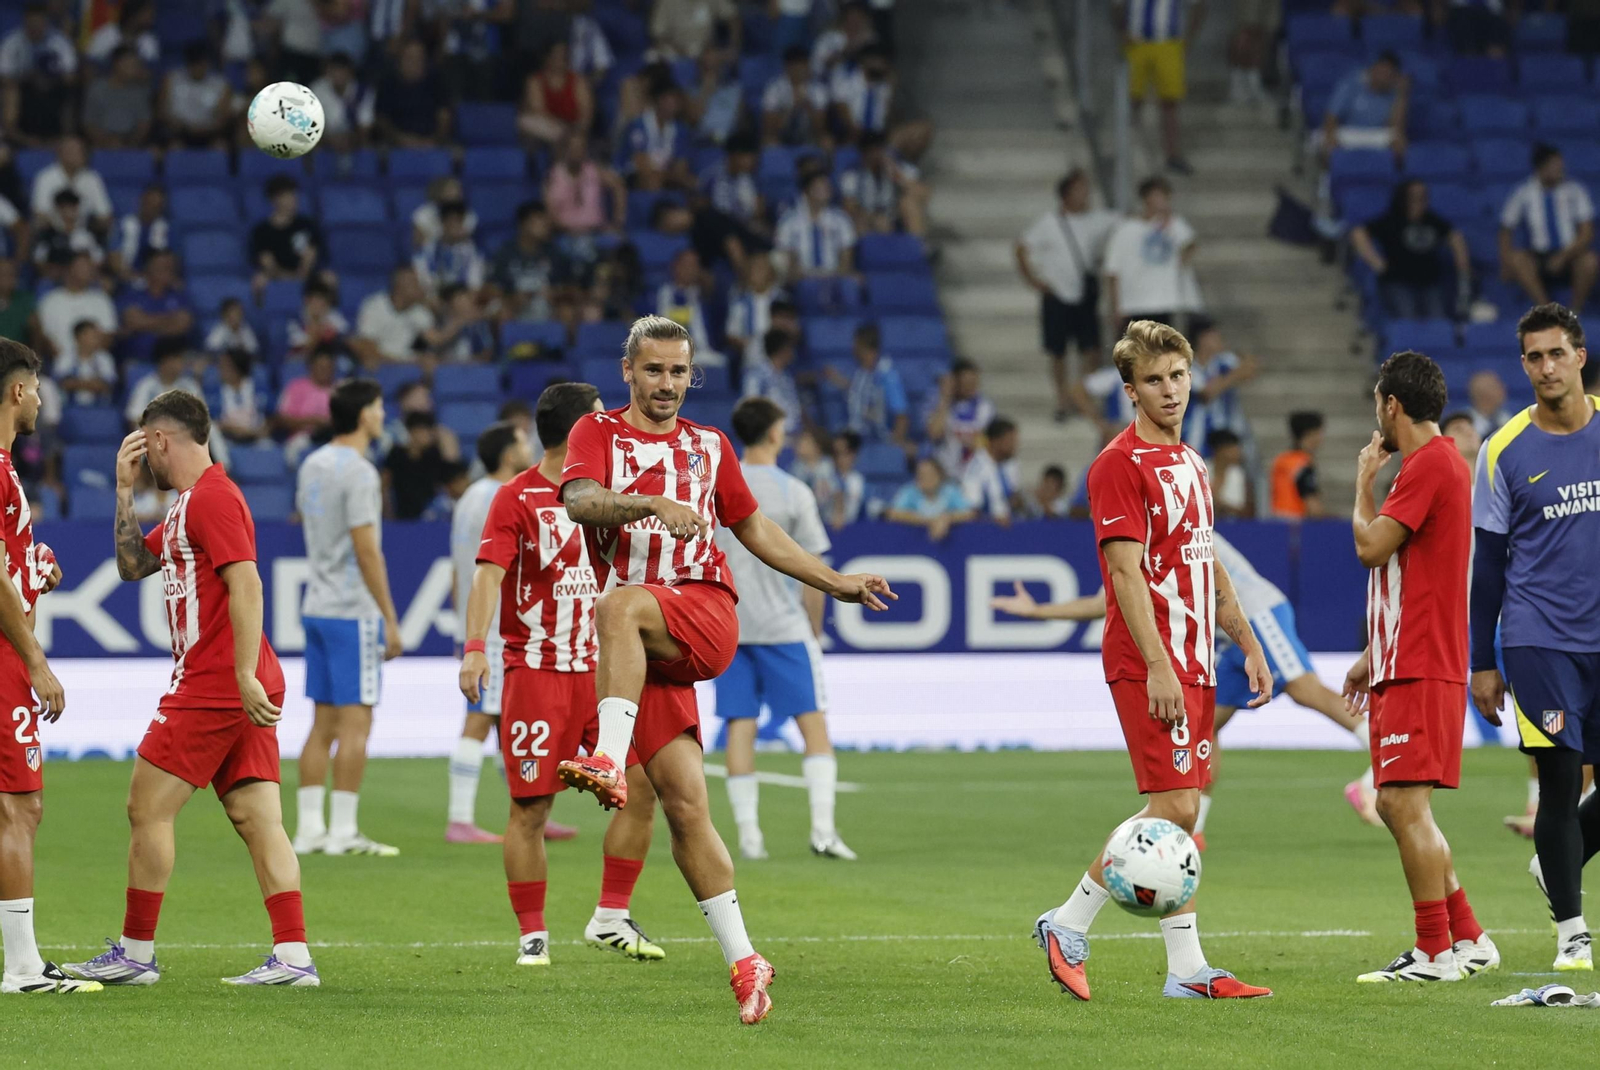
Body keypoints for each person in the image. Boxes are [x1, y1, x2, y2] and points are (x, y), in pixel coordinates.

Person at [551, 315, 895, 1024]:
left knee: (613, 606)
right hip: (646, 648)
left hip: (704, 613)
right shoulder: (598, 436)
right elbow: (579, 503)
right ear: (628, 372)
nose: (669, 384)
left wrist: (834, 582)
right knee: (683, 804)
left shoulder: (711, 447)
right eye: (655, 370)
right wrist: (652, 502)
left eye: (680, 372)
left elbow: (755, 528)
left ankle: (608, 761)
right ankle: (745, 960)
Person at [1032, 318, 1273, 1002]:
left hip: (1198, 657)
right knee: (1172, 801)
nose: (1170, 391)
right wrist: (1160, 665)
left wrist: (1246, 641)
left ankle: (1186, 970)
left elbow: (1206, 559)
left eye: (1178, 376)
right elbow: (1126, 575)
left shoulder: (1192, 463)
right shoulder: (1118, 466)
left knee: (1184, 809)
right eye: (1153, 381)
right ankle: (1068, 924)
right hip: (1150, 661)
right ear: (1130, 390)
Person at [62, 390, 317, 987]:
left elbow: (248, 583)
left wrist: (243, 673)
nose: (144, 457)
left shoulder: (213, 500)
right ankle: (295, 957)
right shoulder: (187, 505)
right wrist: (124, 493)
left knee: (146, 806)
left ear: (159, 441)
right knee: (258, 817)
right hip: (232, 678)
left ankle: (136, 954)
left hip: (216, 681)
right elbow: (132, 567)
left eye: (144, 446)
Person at [996, 528, 1379, 850]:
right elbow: (1104, 603)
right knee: (1205, 728)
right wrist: (1037, 611)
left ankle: (1378, 766)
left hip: (1255, 613)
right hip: (1224, 640)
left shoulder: (1180, 516)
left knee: (1303, 688)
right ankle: (1194, 833)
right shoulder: (1134, 536)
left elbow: (1214, 580)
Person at [459, 384, 666, 965]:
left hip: (605, 672)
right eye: (602, 419)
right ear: (581, 430)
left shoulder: (612, 496)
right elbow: (487, 577)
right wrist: (476, 647)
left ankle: (610, 916)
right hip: (538, 673)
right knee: (531, 808)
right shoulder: (516, 497)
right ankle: (532, 934)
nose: (613, 426)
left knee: (643, 787)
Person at [1341, 349, 1498, 982]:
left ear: (1391, 405)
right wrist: (1368, 655)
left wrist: (1361, 483)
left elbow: (1370, 548)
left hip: (1421, 661)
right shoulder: (1436, 464)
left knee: (1401, 804)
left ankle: (1434, 952)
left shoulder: (1429, 464)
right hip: (1405, 654)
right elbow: (1418, 577)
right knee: (1402, 805)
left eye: (1377, 402)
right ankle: (1469, 939)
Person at [1469, 303, 1600, 972]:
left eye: (1556, 353)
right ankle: (1572, 932)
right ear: (1524, 365)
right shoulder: (1502, 451)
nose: (1546, 367)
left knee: (1580, 799)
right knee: (1558, 780)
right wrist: (1481, 662)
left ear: (1580, 356)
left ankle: (1557, 864)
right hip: (1537, 637)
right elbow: (1487, 566)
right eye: (1533, 357)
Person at [715, 397, 854, 862]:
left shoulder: (715, 485)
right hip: (783, 627)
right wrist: (814, 630)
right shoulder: (793, 490)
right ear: (775, 433)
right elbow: (816, 569)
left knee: (740, 726)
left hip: (731, 627)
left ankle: (750, 838)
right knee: (813, 725)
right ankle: (822, 831)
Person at [445, 421, 578, 845]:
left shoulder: (469, 497)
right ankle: (460, 817)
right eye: (521, 442)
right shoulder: (503, 496)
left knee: (509, 726)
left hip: (486, 624)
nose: (528, 446)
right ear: (507, 454)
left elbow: (459, 567)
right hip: (504, 626)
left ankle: (529, 809)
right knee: (480, 718)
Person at [0, 339, 84, 994]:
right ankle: (23, 968)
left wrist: (35, 568)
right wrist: (36, 661)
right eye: (37, 387)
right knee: (19, 808)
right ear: (18, 391)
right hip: (6, 656)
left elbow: (8, 563)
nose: (41, 400)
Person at [292, 380, 405, 858]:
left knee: (322, 723)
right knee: (357, 723)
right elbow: (366, 548)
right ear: (363, 415)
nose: (382, 415)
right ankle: (343, 831)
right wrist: (389, 617)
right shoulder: (360, 472)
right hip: (352, 610)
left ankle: (309, 829)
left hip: (317, 603)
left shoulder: (311, 464)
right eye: (379, 407)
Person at [1017, 170, 1117, 422]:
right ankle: (1062, 398)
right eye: (1079, 190)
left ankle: (1084, 395)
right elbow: (1021, 247)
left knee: (1091, 349)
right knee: (1058, 351)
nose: (1085, 195)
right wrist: (1033, 280)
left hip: (1085, 294)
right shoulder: (1049, 223)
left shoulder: (1096, 219)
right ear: (1065, 194)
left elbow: (1123, 220)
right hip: (1057, 294)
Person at [1500, 144, 1599, 315]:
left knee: (1590, 261)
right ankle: (1548, 311)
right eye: (1555, 165)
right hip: (1539, 255)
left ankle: (1575, 311)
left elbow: (1587, 232)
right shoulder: (1523, 193)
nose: (1561, 168)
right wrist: (1505, 261)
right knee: (1518, 259)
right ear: (1541, 168)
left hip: (1569, 253)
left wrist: (1564, 256)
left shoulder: (1575, 191)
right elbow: (1505, 229)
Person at [1353, 180, 1472, 321]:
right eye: (1415, 197)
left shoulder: (1432, 220)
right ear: (1404, 198)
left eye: (1423, 197)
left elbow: (1455, 237)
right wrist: (1376, 262)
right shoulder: (1392, 220)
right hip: (1398, 282)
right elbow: (1358, 233)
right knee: (1408, 319)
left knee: (1438, 322)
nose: (1420, 202)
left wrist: (1463, 266)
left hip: (1429, 283)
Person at [1115, 0, 1204, 174]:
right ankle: (1126, 151)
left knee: (1170, 101)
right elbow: (1116, 5)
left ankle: (1172, 154)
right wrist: (1122, 32)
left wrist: (1188, 38)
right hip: (1136, 42)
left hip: (1167, 43)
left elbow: (1199, 5)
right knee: (1132, 99)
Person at [1104, 177, 1198, 331]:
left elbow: (1189, 245)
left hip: (1165, 303)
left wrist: (1169, 226)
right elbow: (1113, 271)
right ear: (1145, 198)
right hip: (1134, 304)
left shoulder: (1173, 224)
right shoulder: (1125, 230)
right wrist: (1115, 307)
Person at [1319, 51, 1407, 164]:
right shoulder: (1350, 83)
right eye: (1381, 71)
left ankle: (1390, 178)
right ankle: (1329, 178)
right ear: (1373, 68)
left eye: (1388, 74)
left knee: (1400, 143)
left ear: (1393, 77)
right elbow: (1331, 117)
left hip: (1375, 135)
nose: (1383, 76)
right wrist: (1331, 137)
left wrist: (1402, 95)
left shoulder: (1394, 93)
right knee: (1326, 143)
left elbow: (1396, 128)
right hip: (1348, 132)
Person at [923, 358, 995, 474]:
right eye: (966, 383)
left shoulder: (985, 407)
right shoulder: (937, 403)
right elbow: (934, 434)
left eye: (974, 383)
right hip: (944, 472)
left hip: (973, 472)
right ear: (955, 381)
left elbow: (989, 441)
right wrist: (945, 398)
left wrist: (974, 442)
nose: (971, 387)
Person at [884, 456, 974, 540]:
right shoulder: (909, 492)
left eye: (930, 474)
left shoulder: (950, 491)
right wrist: (929, 522)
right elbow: (893, 513)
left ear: (940, 476)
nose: (925, 478)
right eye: (921, 475)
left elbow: (969, 513)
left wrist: (947, 519)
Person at [960, 416, 1023, 524]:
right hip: (987, 529)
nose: (1015, 445)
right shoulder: (976, 468)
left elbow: (1013, 497)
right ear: (995, 441)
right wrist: (993, 519)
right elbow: (973, 509)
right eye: (1011, 440)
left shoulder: (1012, 464)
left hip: (1009, 527)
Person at [1270, 411, 1325, 519]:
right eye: (1319, 433)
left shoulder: (1281, 459)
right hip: (1297, 525)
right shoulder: (1303, 464)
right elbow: (1313, 506)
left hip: (1277, 521)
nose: (1321, 438)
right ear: (1310, 434)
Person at [1206, 428, 1253, 518]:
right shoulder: (1202, 469)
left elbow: (1247, 510)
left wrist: (1223, 506)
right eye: (1233, 449)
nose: (1238, 452)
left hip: (1233, 525)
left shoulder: (1239, 474)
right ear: (1221, 450)